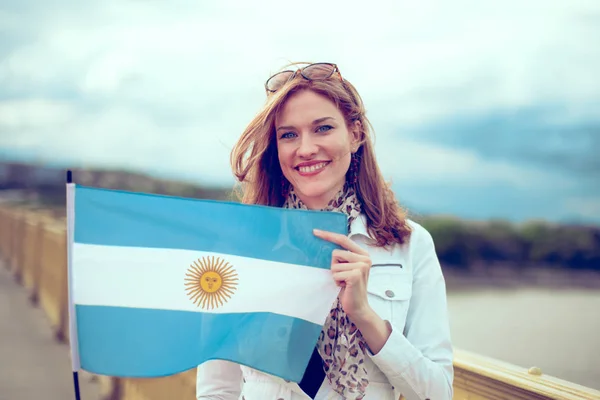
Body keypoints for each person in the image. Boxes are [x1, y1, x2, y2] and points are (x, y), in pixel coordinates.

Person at [196, 62, 454, 400]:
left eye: (323, 128)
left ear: (356, 134)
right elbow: (218, 389)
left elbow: (437, 394)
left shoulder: (410, 245)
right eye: (288, 134)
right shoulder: (240, 246)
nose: (305, 148)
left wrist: (365, 315)